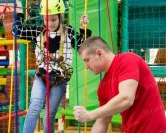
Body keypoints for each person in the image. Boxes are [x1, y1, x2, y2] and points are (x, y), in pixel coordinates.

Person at [12, 0, 92, 132]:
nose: (50, 23)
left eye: (54, 19)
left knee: (48, 116)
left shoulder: (69, 32)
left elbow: (83, 46)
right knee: (34, 108)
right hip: (41, 77)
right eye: (46, 20)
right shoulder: (38, 32)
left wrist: (83, 29)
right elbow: (17, 32)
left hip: (59, 80)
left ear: (61, 16)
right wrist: (19, 13)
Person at [73, 36, 166, 133]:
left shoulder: (127, 59)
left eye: (87, 60)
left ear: (99, 53)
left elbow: (126, 99)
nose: (86, 66)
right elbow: (102, 122)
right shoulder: (103, 87)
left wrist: (90, 115)